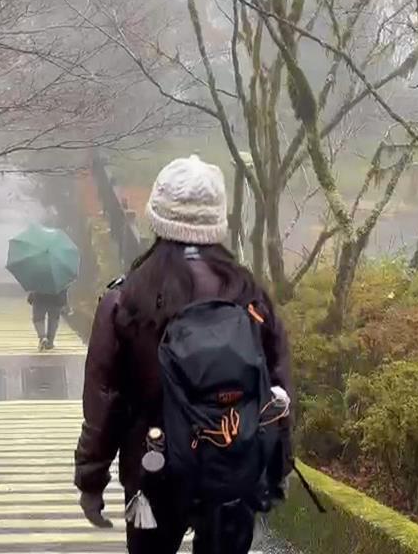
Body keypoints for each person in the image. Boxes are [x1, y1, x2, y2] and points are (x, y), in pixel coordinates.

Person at [73, 155, 292, 554]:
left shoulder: (127, 299)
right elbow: (276, 387)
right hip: (233, 462)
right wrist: (278, 464)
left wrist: (91, 477)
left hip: (153, 469)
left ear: (156, 216)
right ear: (217, 221)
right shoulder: (249, 296)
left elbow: (105, 399)